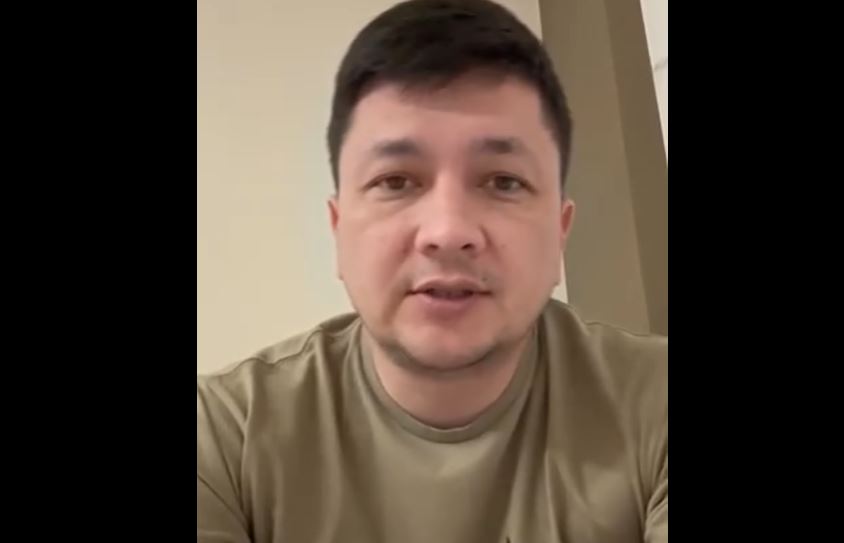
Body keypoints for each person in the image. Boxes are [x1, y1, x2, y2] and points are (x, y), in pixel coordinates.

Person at [196, 0, 668, 541]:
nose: (447, 230)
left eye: (504, 181)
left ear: (560, 232)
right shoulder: (223, 437)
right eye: (395, 181)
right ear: (338, 229)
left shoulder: (656, 403)